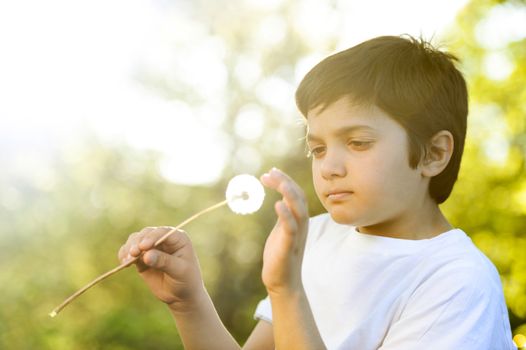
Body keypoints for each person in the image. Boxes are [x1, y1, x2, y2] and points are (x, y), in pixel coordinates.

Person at [118, 35, 516, 349]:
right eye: (318, 148)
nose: (329, 167)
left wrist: (287, 291)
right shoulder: (318, 237)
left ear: (433, 153)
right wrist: (188, 302)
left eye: (358, 143)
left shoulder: (456, 282)